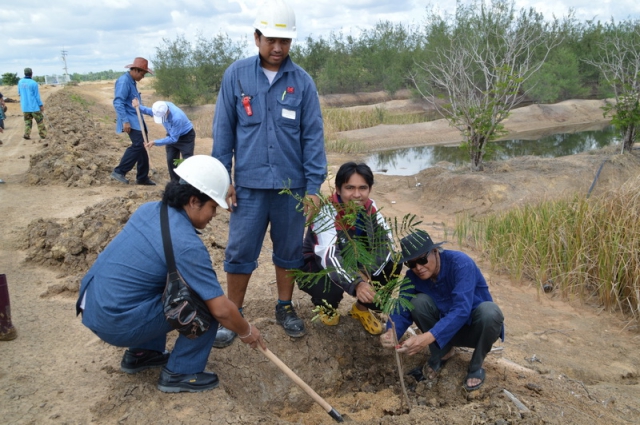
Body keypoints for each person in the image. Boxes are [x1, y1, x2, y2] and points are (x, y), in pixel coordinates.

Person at [76, 155, 265, 393]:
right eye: (213, 207)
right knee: (203, 303)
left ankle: (143, 353)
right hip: (115, 322)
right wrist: (246, 330)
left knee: (167, 283)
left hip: (93, 306)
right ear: (194, 201)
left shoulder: (149, 210)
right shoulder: (186, 245)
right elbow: (221, 310)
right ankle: (181, 372)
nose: (214, 215)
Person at [212, 0, 327, 346]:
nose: (278, 47)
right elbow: (223, 131)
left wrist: (314, 187)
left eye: (285, 41)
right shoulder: (237, 75)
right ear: (256, 38)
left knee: (289, 251)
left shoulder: (302, 82)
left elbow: (313, 136)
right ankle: (233, 312)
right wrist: (223, 180)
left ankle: (285, 306)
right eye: (271, 40)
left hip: (292, 188)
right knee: (239, 251)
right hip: (248, 186)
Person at [380, 230, 504, 392]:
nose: (418, 268)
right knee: (417, 302)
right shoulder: (412, 277)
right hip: (444, 334)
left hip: (475, 330)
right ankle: (443, 352)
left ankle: (476, 365)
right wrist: (392, 332)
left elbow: (461, 310)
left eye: (422, 260)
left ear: (435, 251)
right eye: (411, 264)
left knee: (491, 312)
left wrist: (427, 338)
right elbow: (402, 307)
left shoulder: (461, 264)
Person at [299, 162, 394, 334]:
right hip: (317, 266)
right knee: (330, 286)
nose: (356, 194)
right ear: (338, 189)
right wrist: (357, 283)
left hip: (354, 263)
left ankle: (361, 309)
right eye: (350, 188)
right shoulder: (326, 213)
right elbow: (329, 257)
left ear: (370, 189)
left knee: (392, 264)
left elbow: (387, 245)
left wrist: (367, 271)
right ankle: (326, 306)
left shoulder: (371, 209)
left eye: (362, 188)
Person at [111, 57, 156, 186]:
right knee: (138, 145)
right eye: (142, 74)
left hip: (137, 120)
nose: (143, 77)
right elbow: (118, 102)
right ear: (135, 70)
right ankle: (119, 171)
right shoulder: (124, 81)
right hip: (131, 121)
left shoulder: (131, 81)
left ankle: (142, 177)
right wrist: (125, 121)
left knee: (143, 146)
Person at [133, 98, 195, 181]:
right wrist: (138, 106)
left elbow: (173, 139)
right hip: (171, 135)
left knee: (187, 161)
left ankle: (187, 183)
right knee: (171, 160)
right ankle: (175, 183)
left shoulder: (177, 117)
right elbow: (149, 111)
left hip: (186, 137)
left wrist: (155, 142)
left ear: (167, 112)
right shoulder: (159, 108)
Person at [17, 68, 46, 140]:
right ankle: (43, 135)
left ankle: (27, 134)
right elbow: (37, 96)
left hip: (25, 107)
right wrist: (41, 105)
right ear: (31, 73)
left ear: (24, 73)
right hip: (34, 107)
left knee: (27, 121)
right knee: (40, 121)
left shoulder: (20, 82)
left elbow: (19, 93)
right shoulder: (33, 83)